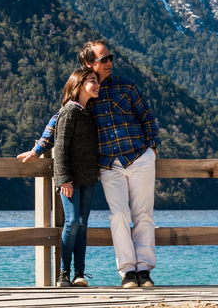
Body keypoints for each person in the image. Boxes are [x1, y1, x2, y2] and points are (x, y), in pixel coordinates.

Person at [18, 40, 161, 288]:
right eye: (103, 59)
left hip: (139, 156)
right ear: (88, 63)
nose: (109, 63)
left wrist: (153, 149)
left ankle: (144, 271)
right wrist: (39, 148)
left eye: (110, 58)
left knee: (143, 215)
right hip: (107, 164)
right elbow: (59, 119)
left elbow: (147, 116)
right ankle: (128, 272)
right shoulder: (87, 91)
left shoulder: (127, 86)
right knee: (118, 215)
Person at [53, 68, 101, 287]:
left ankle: (79, 274)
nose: (97, 84)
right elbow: (60, 147)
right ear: (79, 84)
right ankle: (64, 273)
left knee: (82, 224)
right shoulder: (69, 111)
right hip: (70, 179)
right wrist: (64, 179)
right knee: (71, 222)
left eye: (97, 81)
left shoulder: (88, 111)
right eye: (92, 80)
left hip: (88, 177)